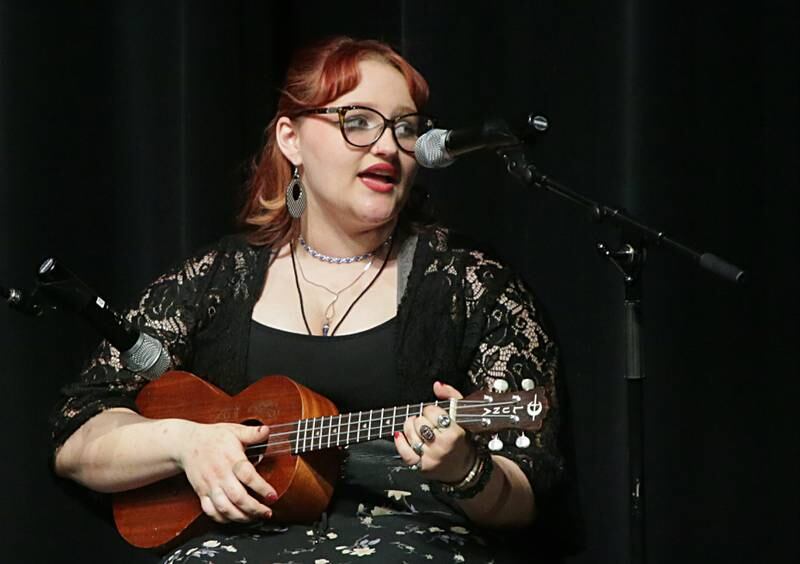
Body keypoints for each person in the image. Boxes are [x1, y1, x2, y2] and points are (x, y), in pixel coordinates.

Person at [50, 36, 580, 563]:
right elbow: (80, 440)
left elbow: (527, 495)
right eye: (357, 121)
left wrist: (465, 469)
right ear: (291, 139)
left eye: (406, 128)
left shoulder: (471, 285)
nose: (387, 146)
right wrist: (185, 444)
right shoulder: (214, 281)